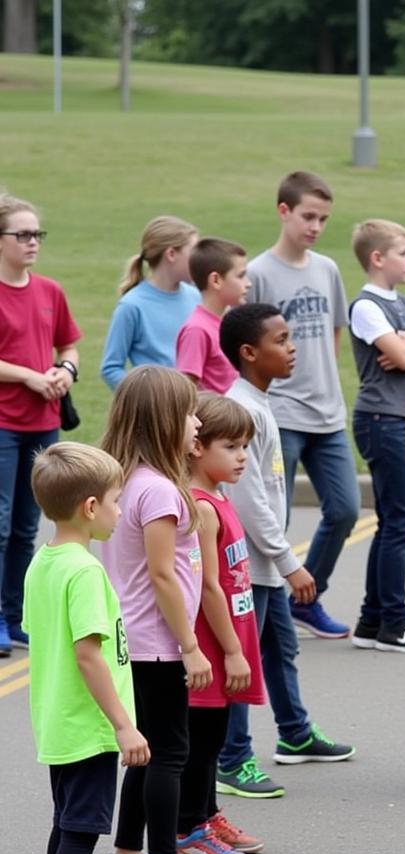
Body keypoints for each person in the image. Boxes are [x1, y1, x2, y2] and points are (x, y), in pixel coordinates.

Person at [97, 365, 229, 854]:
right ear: (165, 420)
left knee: (146, 750)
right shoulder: (160, 492)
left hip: (133, 642)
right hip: (157, 644)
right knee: (171, 752)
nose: (197, 422)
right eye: (189, 412)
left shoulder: (124, 482)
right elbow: (161, 575)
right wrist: (192, 647)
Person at [216, 303, 355, 800]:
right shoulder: (243, 410)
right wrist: (288, 560)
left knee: (281, 647)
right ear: (250, 353)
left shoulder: (258, 402)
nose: (292, 347)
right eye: (281, 340)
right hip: (248, 567)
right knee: (243, 661)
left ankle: (294, 732)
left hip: (264, 565)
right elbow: (250, 500)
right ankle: (232, 760)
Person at [25, 442, 149, 854]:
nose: (122, 512)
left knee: (66, 824)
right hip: (90, 725)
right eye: (118, 501)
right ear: (91, 507)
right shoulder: (84, 572)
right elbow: (87, 652)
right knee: (81, 831)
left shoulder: (44, 562)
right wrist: (123, 724)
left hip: (59, 719)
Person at [247, 171, 358, 640]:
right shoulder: (258, 274)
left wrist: (322, 380)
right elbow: (247, 344)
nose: (315, 226)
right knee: (278, 517)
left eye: (324, 219)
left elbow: (335, 330)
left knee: (347, 509)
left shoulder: (327, 268)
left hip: (327, 415)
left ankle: (306, 599)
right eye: (308, 216)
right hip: (281, 415)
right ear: (284, 211)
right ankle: (266, 612)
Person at [177, 392, 267, 854]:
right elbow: (208, 586)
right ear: (197, 447)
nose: (241, 457)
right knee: (200, 740)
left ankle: (207, 816)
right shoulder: (202, 507)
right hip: (213, 644)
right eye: (231, 447)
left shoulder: (219, 498)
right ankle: (187, 828)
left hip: (230, 635)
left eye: (245, 447)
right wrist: (231, 650)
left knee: (212, 737)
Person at [349, 219, 405, 653]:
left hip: (404, 419)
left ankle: (372, 620)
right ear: (378, 258)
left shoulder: (403, 302)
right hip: (383, 420)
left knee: (393, 522)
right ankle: (394, 623)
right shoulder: (366, 307)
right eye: (404, 253)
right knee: (400, 523)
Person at [0, 192, 81, 657]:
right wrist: (30, 374)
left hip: (43, 420)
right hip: (5, 421)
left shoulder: (50, 291)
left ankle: (15, 617)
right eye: (23, 234)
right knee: (1, 524)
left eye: (37, 235)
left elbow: (69, 345)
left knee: (29, 525)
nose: (33, 242)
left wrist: (63, 371)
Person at [99, 215, 199, 390]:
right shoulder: (132, 306)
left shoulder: (196, 296)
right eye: (193, 253)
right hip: (158, 411)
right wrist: (149, 396)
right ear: (171, 254)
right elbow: (111, 368)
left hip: (197, 407)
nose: (199, 260)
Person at [175, 237, 250, 393]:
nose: (248, 283)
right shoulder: (197, 330)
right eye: (240, 276)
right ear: (216, 280)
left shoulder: (229, 322)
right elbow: (186, 390)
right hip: (213, 417)